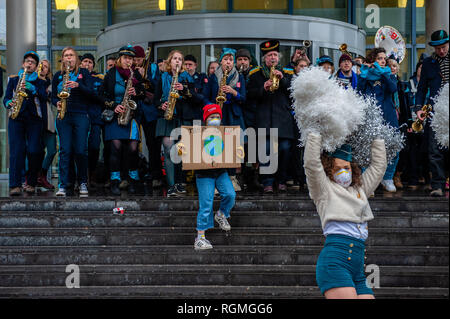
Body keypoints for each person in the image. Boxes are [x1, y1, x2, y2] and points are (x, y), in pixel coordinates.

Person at [304, 133, 387, 299]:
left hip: (357, 264)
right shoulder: (323, 189)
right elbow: (312, 165)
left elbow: (378, 167)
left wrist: (377, 135)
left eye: (347, 167)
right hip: (335, 261)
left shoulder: (360, 189)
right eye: (337, 168)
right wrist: (315, 132)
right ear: (329, 170)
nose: (344, 172)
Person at [247, 40, 296, 194]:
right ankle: (267, 182)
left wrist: (282, 80)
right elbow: (249, 95)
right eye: (269, 56)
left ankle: (281, 180)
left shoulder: (288, 73)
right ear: (265, 59)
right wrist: (263, 88)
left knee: (285, 149)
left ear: (279, 57)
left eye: (275, 55)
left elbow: (294, 94)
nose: (273, 58)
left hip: (283, 120)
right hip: (264, 120)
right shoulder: (255, 74)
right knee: (266, 150)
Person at [99, 45, 146, 196]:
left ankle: (133, 180)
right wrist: (114, 106)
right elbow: (101, 95)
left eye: (131, 59)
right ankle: (115, 180)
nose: (128, 61)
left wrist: (137, 91)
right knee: (116, 148)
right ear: (120, 58)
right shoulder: (111, 74)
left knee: (133, 148)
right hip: (116, 115)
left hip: (131, 116)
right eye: (126, 58)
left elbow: (144, 93)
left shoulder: (136, 75)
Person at [3, 51, 48, 196]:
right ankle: (15, 185)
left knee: (34, 150)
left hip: (34, 119)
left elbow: (44, 97)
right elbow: (6, 98)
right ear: (23, 64)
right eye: (27, 61)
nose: (29, 63)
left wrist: (34, 89)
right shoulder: (14, 79)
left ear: (36, 67)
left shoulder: (40, 81)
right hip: (16, 118)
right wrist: (9, 102)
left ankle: (31, 182)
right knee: (16, 151)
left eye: (33, 62)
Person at [203, 48, 247, 192]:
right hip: (218, 114)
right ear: (221, 61)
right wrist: (213, 104)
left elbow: (244, 98)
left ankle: (232, 179)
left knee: (233, 147)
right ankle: (218, 181)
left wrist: (233, 92)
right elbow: (205, 97)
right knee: (218, 147)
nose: (228, 62)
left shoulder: (239, 77)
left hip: (233, 114)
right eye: (225, 59)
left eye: (231, 60)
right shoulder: (213, 77)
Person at [193, 104, 236, 250]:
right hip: (203, 173)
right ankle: (200, 238)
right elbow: (186, 146)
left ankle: (221, 213)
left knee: (230, 194)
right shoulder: (196, 133)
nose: (215, 119)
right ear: (205, 119)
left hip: (220, 171)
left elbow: (231, 148)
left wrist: (239, 150)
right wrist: (182, 148)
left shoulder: (224, 133)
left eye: (218, 117)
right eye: (212, 117)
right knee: (206, 204)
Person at [52, 47, 94, 197]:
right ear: (63, 59)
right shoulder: (58, 76)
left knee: (81, 150)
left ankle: (82, 182)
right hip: (64, 116)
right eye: (66, 56)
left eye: (71, 55)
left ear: (76, 58)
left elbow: (91, 93)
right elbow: (52, 97)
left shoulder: (84, 73)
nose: (68, 58)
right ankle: (62, 185)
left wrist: (78, 85)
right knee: (65, 150)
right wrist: (56, 102)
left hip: (81, 115)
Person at [357, 47, 399, 192]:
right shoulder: (367, 75)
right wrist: (362, 75)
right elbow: (359, 93)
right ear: (373, 60)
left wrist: (384, 74)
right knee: (367, 147)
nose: (383, 61)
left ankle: (387, 178)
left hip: (388, 116)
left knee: (393, 146)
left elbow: (393, 89)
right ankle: (368, 179)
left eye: (384, 58)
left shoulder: (389, 74)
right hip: (371, 117)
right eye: (379, 58)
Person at [154, 50, 194, 197]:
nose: (177, 61)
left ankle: (180, 183)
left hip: (182, 118)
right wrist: (161, 105)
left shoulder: (186, 78)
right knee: (168, 149)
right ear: (169, 61)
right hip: (166, 117)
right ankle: (171, 185)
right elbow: (155, 99)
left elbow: (195, 96)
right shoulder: (162, 77)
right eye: (174, 58)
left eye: (180, 59)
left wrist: (184, 89)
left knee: (181, 152)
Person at [415, 29, 449, 197]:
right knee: (434, 150)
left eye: (443, 47)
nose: (441, 51)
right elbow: (421, 89)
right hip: (435, 110)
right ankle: (437, 185)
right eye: (438, 48)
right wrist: (419, 107)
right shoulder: (428, 63)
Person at [134, 45, 162, 191]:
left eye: (139, 59)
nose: (137, 61)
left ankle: (155, 173)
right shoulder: (129, 68)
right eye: (135, 59)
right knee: (132, 143)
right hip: (136, 110)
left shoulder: (153, 68)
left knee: (152, 144)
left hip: (150, 111)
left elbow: (158, 86)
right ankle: (134, 174)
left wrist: (146, 76)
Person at [405, 60, 430, 190]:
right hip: (412, 121)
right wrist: (409, 122)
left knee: (426, 151)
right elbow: (404, 103)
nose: (423, 69)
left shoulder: (430, 82)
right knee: (412, 152)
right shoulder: (409, 84)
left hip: (427, 121)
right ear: (417, 69)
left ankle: (427, 179)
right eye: (421, 67)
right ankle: (413, 179)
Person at [80, 53, 105, 188]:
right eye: (85, 61)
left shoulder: (99, 79)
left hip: (95, 118)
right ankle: (82, 177)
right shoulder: (76, 77)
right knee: (80, 148)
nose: (87, 64)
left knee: (94, 147)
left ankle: (92, 174)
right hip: (81, 116)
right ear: (80, 64)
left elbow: (100, 96)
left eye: (90, 62)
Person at [37, 59, 57, 190]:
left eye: (46, 67)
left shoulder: (50, 83)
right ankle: (31, 178)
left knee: (52, 150)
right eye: (41, 66)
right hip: (35, 120)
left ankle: (42, 176)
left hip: (48, 121)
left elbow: (46, 96)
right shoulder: (32, 81)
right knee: (35, 151)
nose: (43, 68)